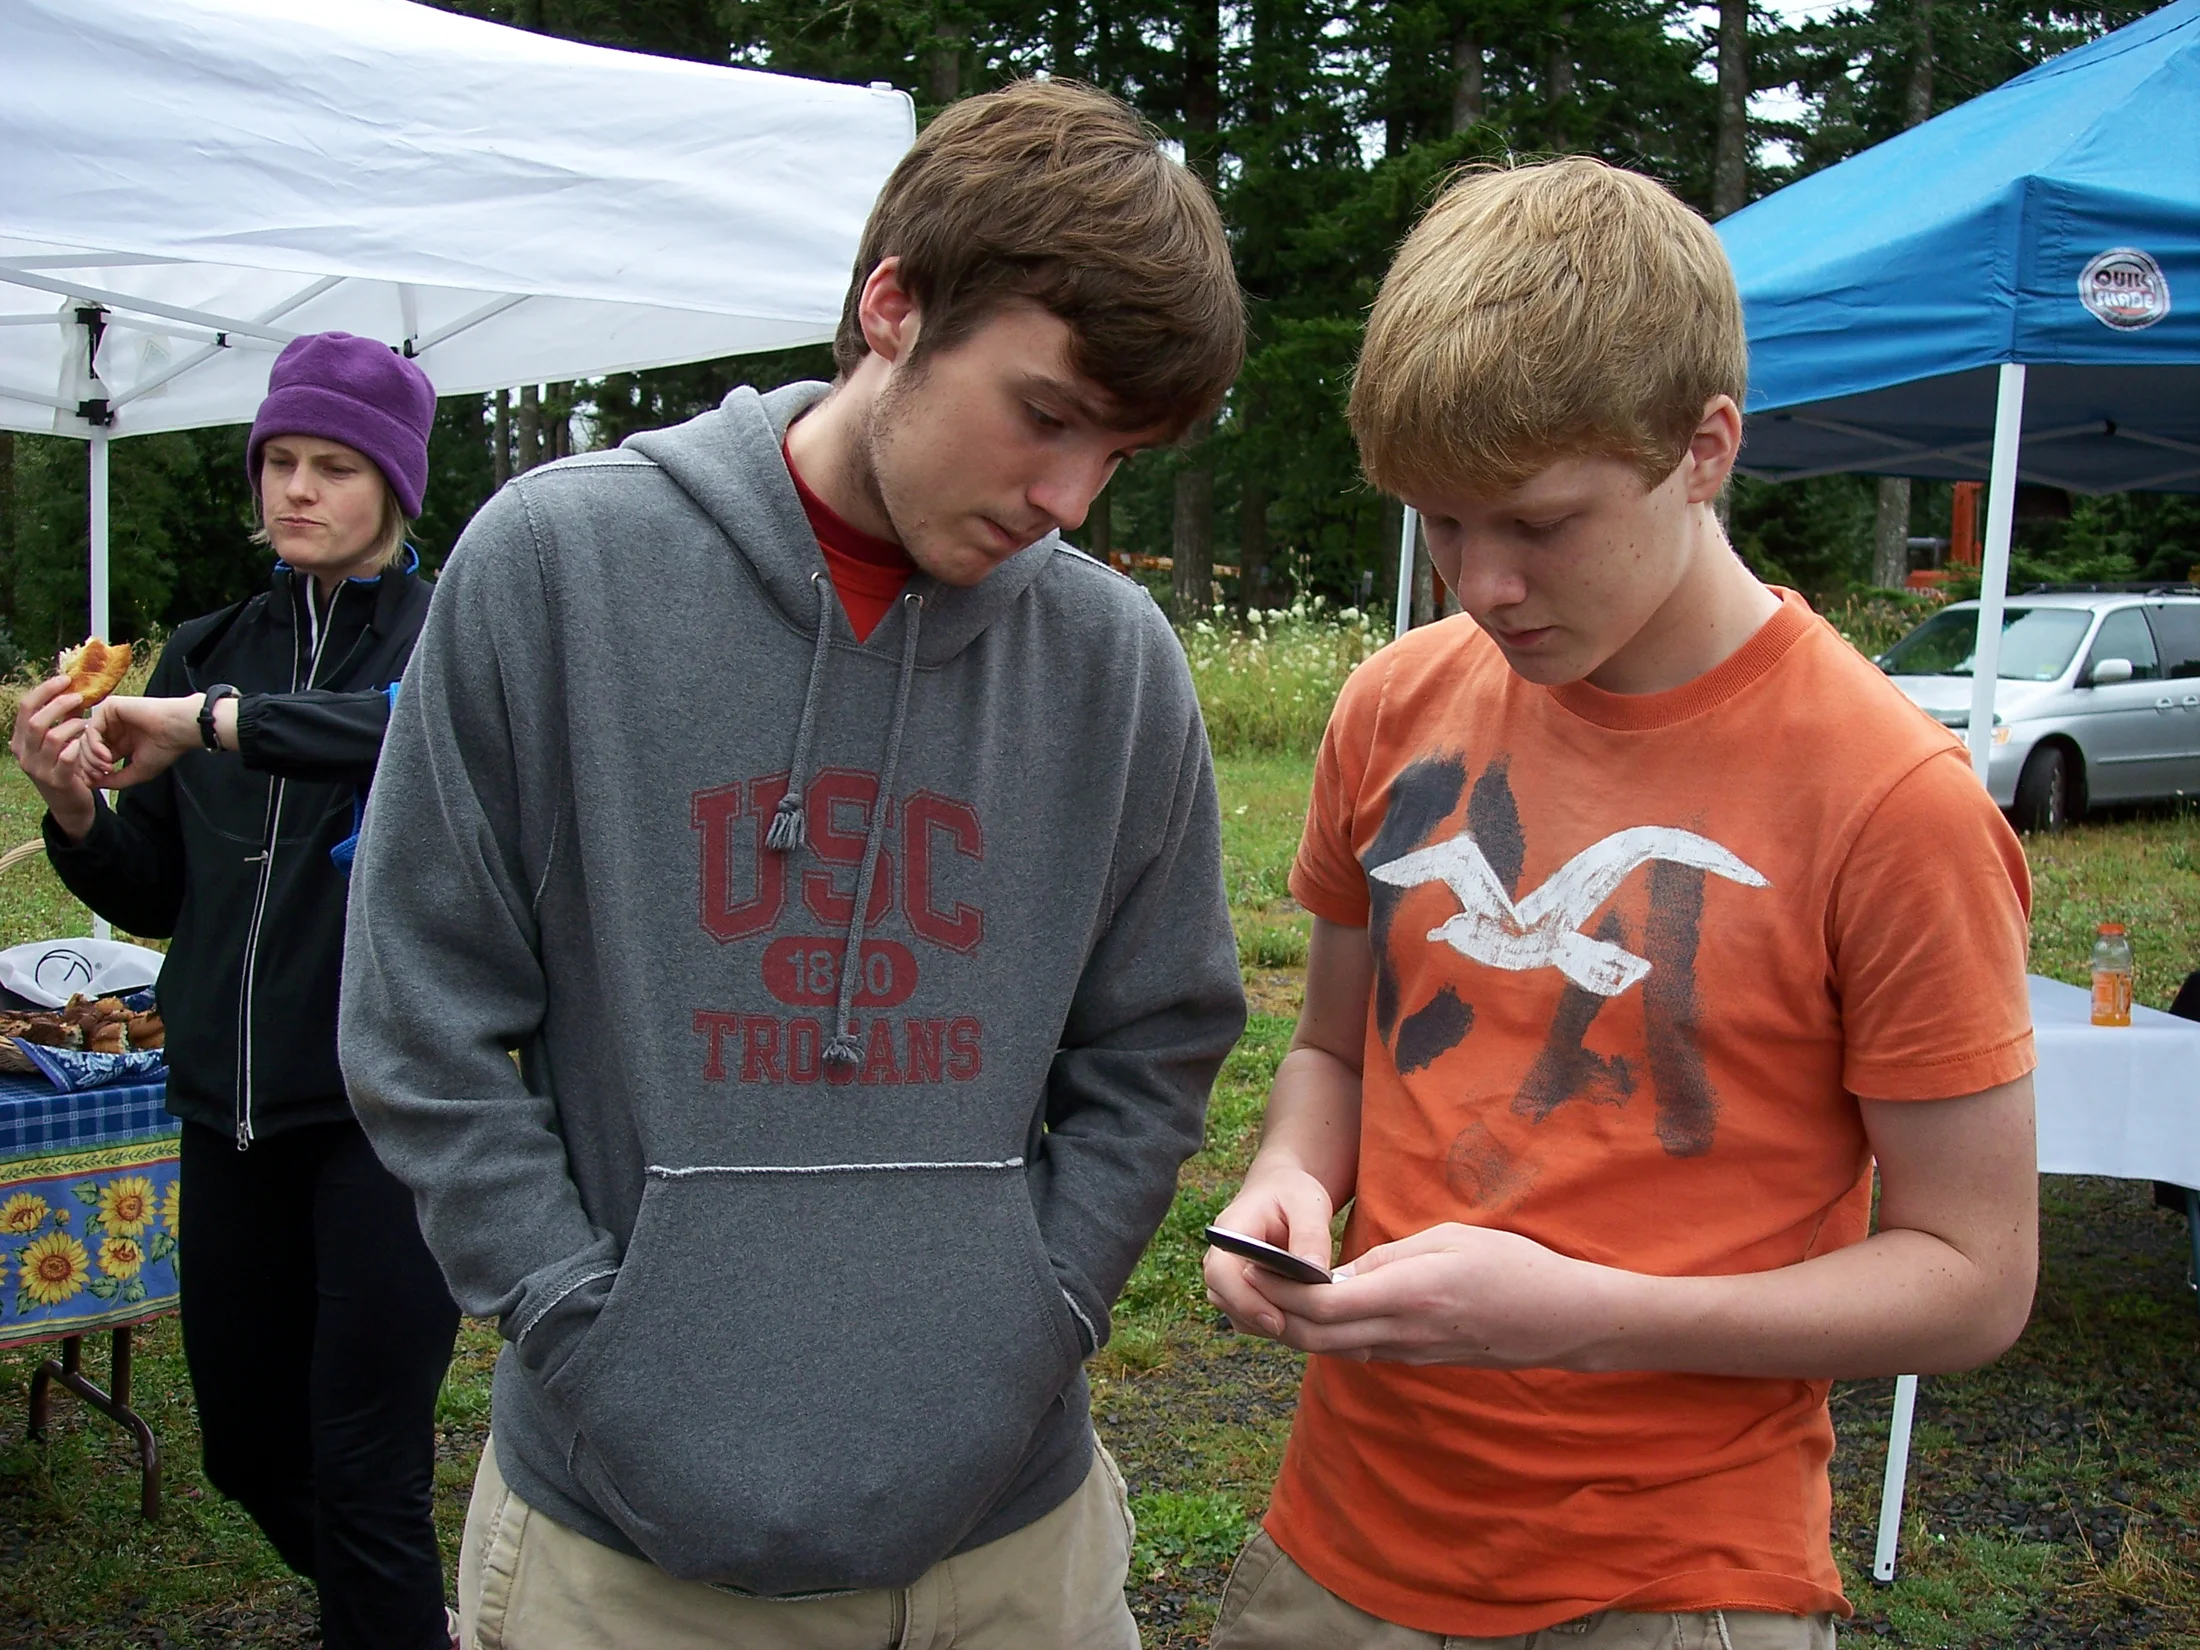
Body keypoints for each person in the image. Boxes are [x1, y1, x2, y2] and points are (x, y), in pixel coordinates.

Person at [338, 79, 1247, 1648]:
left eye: (1118, 451)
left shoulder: (1114, 660)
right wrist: (581, 1325)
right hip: (627, 1567)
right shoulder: (556, 571)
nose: (1067, 499)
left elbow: (1158, 1043)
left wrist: (1041, 1311)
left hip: (1016, 1559)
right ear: (893, 307)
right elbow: (420, 1020)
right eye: (1045, 415)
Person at [1202, 159, 2040, 1650]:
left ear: (1705, 448)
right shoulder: (1394, 707)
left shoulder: (1892, 800)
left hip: (1673, 1583)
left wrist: (1586, 1314)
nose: (1482, 584)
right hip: (1343, 1545)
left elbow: (1974, 1281)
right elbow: (1334, 1051)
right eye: (1440, 524)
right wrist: (1287, 1175)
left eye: (1540, 524)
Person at [9, 332, 457, 1650]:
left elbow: (417, 731)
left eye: (336, 465)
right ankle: (411, 1620)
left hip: (387, 1113)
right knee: (249, 1450)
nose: (298, 488)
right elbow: (159, 893)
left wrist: (216, 721)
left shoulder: (447, 636)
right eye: (279, 460)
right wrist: (76, 806)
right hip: (226, 1115)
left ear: (394, 485)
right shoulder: (210, 644)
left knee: (367, 1467)